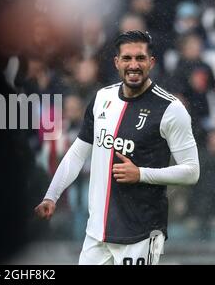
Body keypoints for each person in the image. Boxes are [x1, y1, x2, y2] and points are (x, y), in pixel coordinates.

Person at [34, 30, 200, 265]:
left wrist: (141, 174)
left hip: (140, 235)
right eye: (127, 58)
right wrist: (51, 196)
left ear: (151, 62)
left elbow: (192, 171)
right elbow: (78, 152)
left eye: (140, 58)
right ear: (117, 62)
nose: (134, 65)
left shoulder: (171, 109)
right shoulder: (102, 98)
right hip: (96, 233)